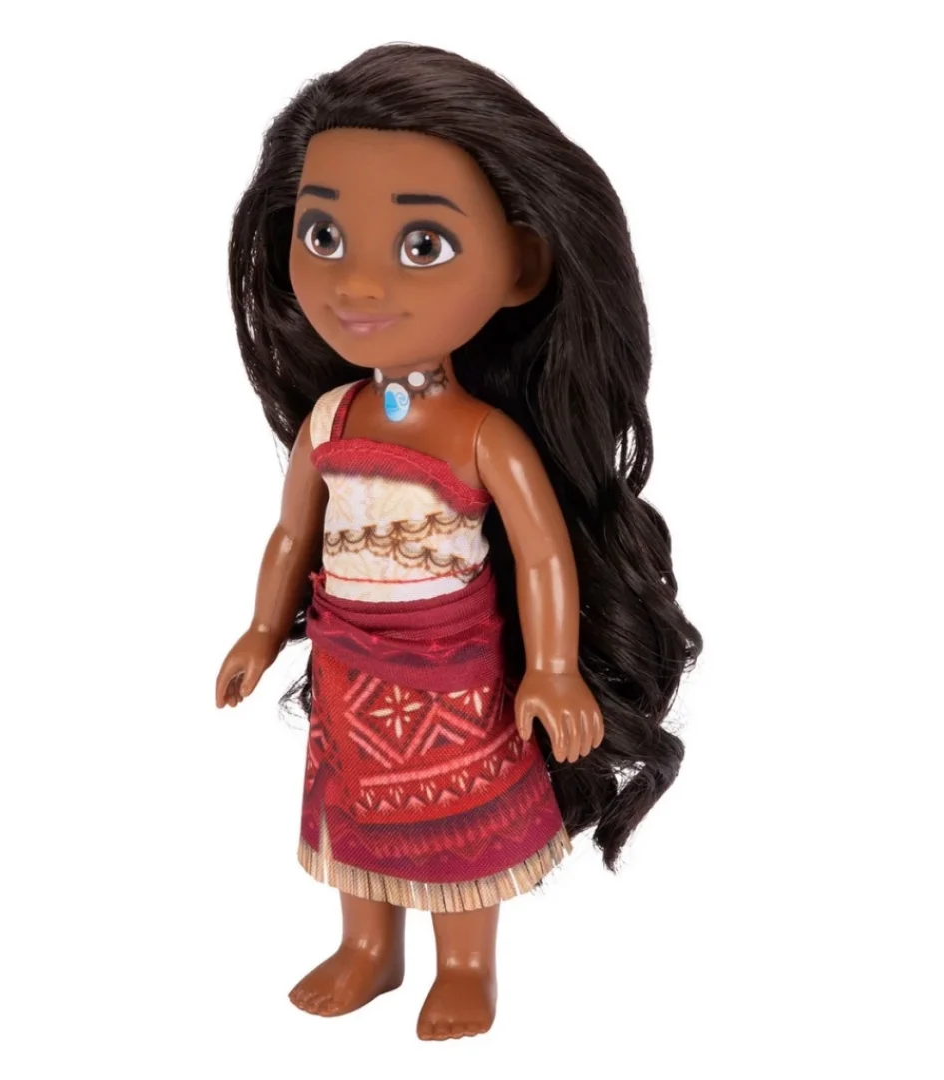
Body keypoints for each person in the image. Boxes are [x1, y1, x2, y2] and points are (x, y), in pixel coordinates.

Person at [215, 43, 701, 1041]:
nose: (357, 282)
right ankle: (368, 947)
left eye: (422, 244)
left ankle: (465, 963)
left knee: (456, 821)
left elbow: (546, 554)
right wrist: (263, 631)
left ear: (519, 266)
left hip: (456, 670)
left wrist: (553, 668)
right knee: (356, 806)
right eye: (322, 234)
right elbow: (292, 531)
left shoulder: (485, 437)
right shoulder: (330, 420)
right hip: (350, 666)